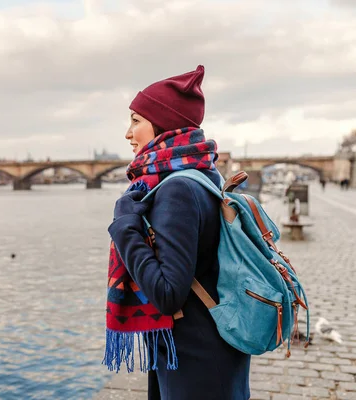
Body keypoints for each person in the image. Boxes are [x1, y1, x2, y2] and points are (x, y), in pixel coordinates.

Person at [103, 65, 250, 399]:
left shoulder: (177, 188)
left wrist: (125, 226)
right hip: (209, 350)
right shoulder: (203, 174)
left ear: (163, 123)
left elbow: (168, 293)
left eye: (136, 121)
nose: (128, 133)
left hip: (195, 361)